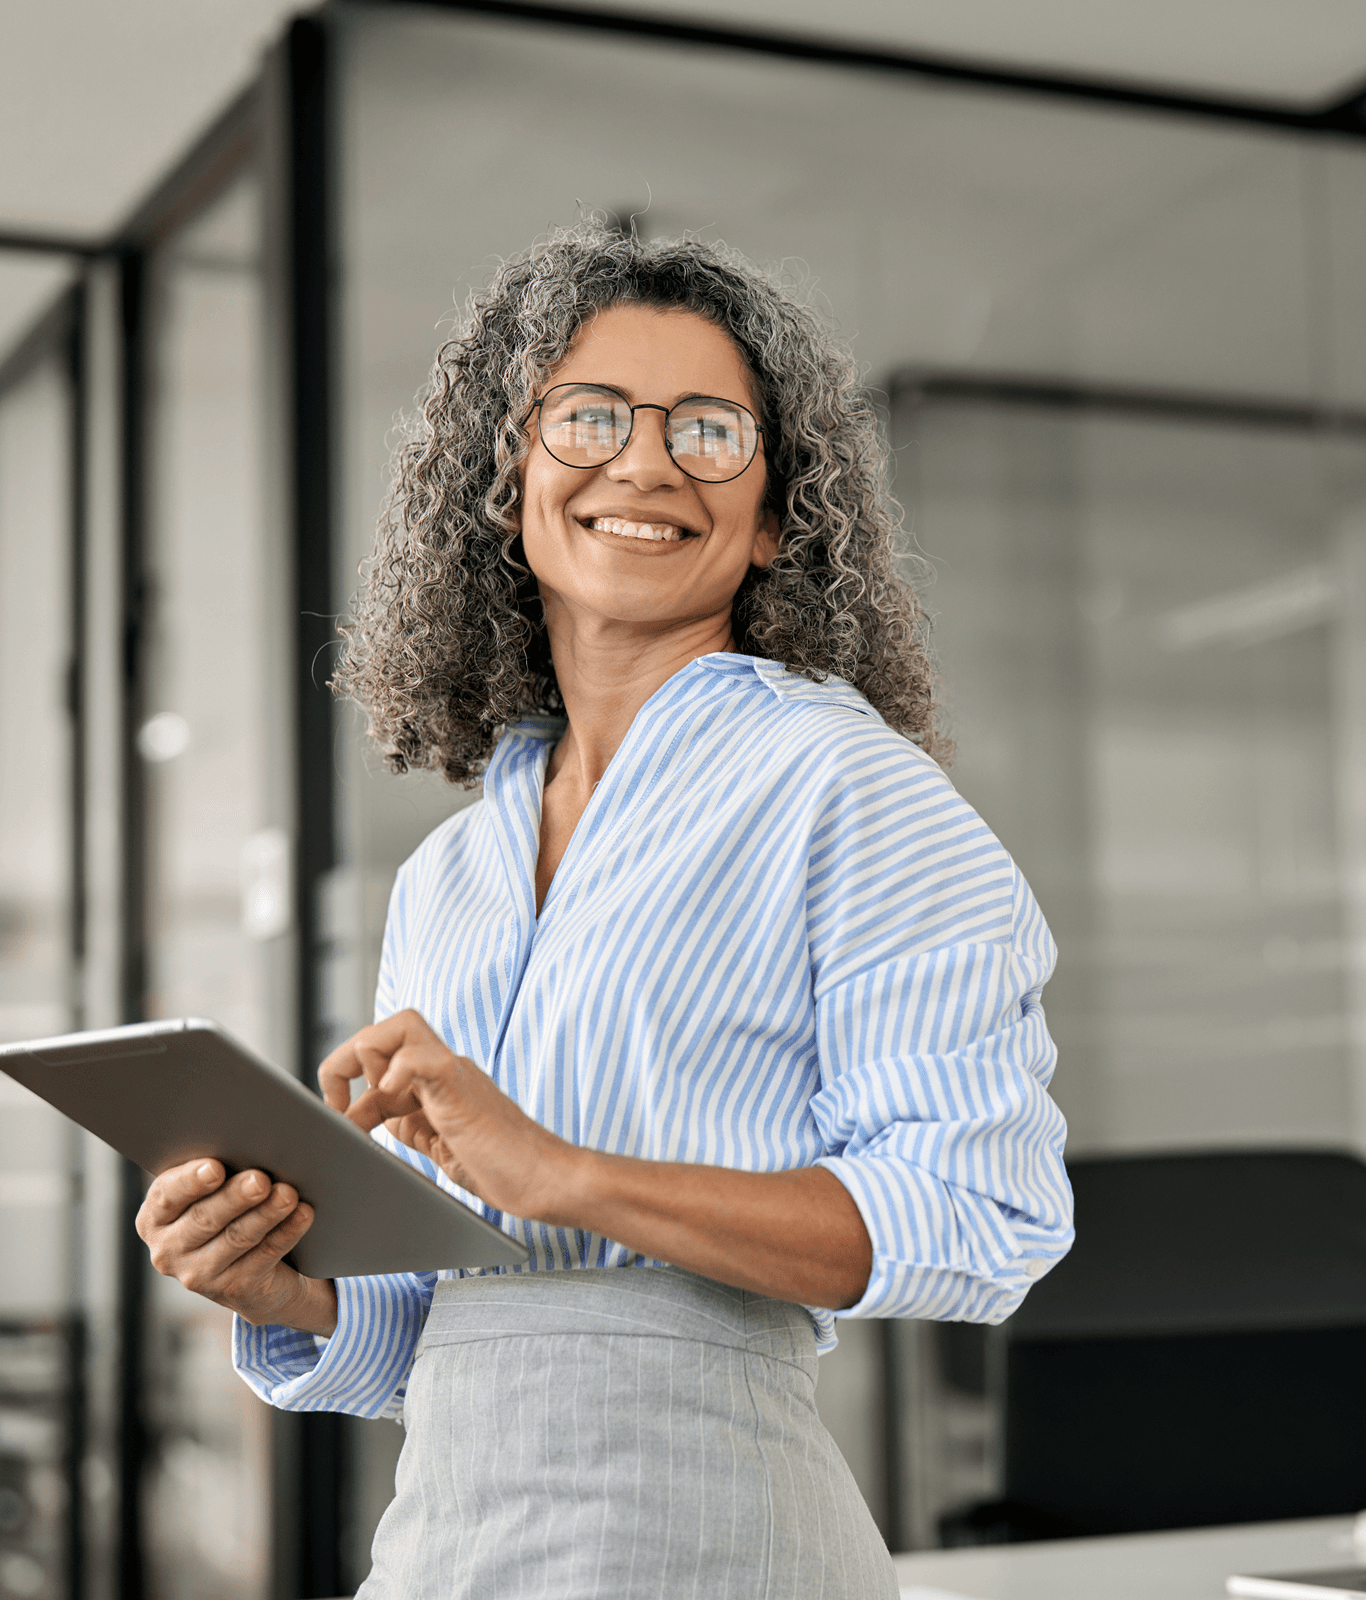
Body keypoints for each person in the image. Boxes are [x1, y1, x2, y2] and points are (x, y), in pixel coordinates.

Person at [136, 225, 1074, 1598]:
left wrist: (566, 1174)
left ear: (774, 517)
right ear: (507, 480)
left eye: (708, 431)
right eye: (590, 417)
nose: (644, 463)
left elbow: (980, 1213)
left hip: (716, 1539)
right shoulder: (448, 877)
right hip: (450, 1550)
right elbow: (459, 1336)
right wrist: (284, 1287)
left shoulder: (846, 787)